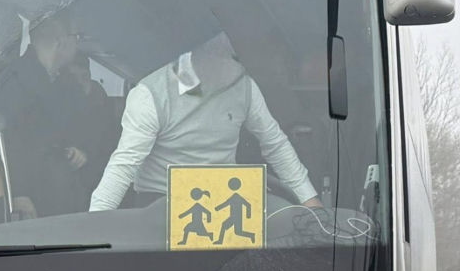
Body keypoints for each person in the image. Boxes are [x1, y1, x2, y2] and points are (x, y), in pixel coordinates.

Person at [89, 32, 322, 211]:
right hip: (160, 204)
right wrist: (96, 220)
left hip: (225, 201)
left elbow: (274, 143)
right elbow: (125, 163)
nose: (218, 60)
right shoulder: (151, 93)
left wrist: (309, 200)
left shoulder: (242, 85)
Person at [0, 14, 86, 219]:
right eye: (77, 37)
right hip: (29, 198)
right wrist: (18, 193)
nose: (78, 44)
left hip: (58, 191)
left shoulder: (63, 82)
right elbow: (1, 140)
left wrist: (77, 148)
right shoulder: (14, 81)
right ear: (61, 41)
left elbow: (62, 128)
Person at [57, 51, 124, 211]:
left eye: (84, 76)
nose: (80, 83)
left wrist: (87, 157)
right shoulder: (59, 108)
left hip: (101, 188)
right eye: (73, 78)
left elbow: (114, 152)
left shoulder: (105, 107)